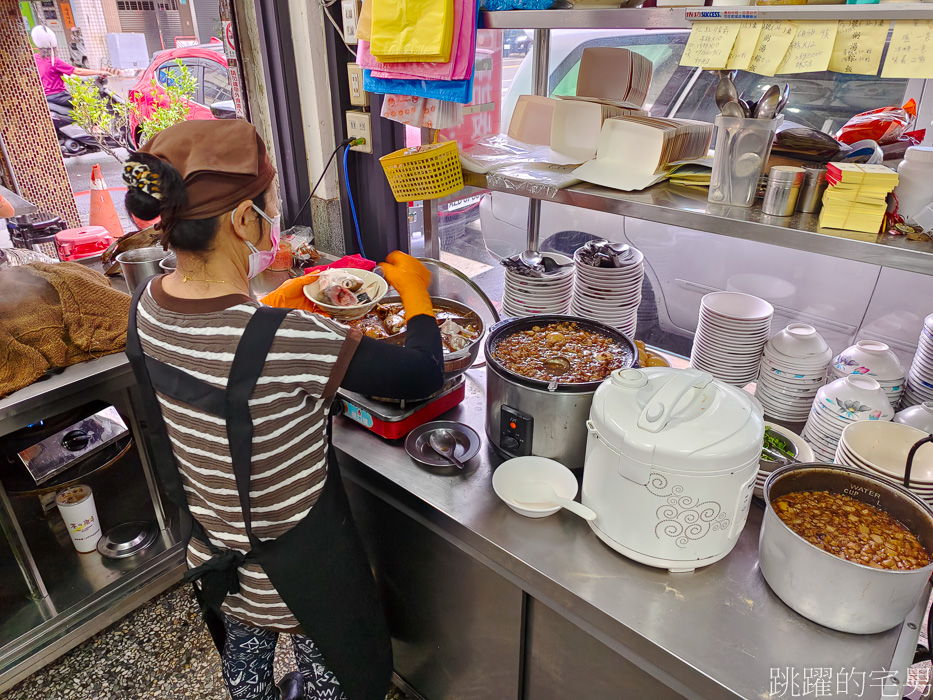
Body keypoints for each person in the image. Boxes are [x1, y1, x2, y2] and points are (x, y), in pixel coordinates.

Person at [121, 119, 444, 700]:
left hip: (215, 552)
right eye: (267, 206)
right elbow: (420, 372)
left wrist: (272, 303)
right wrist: (417, 292)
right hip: (302, 573)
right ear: (244, 220)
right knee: (331, 678)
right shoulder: (287, 338)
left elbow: (217, 359)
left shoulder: (147, 305)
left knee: (246, 666)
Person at [31, 25, 106, 108]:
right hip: (59, 96)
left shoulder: (35, 58)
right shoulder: (54, 61)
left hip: (46, 96)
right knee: (91, 103)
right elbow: (78, 71)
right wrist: (100, 72)